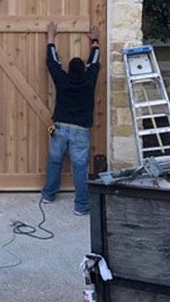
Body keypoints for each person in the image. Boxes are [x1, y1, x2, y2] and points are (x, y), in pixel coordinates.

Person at [40, 21, 101, 215]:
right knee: (80, 168)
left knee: (55, 161)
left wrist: (51, 37)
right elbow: (95, 61)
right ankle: (81, 206)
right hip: (81, 131)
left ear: (69, 70)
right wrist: (95, 41)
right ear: (84, 69)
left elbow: (52, 62)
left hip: (60, 128)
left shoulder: (63, 80)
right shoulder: (90, 80)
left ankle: (49, 195)